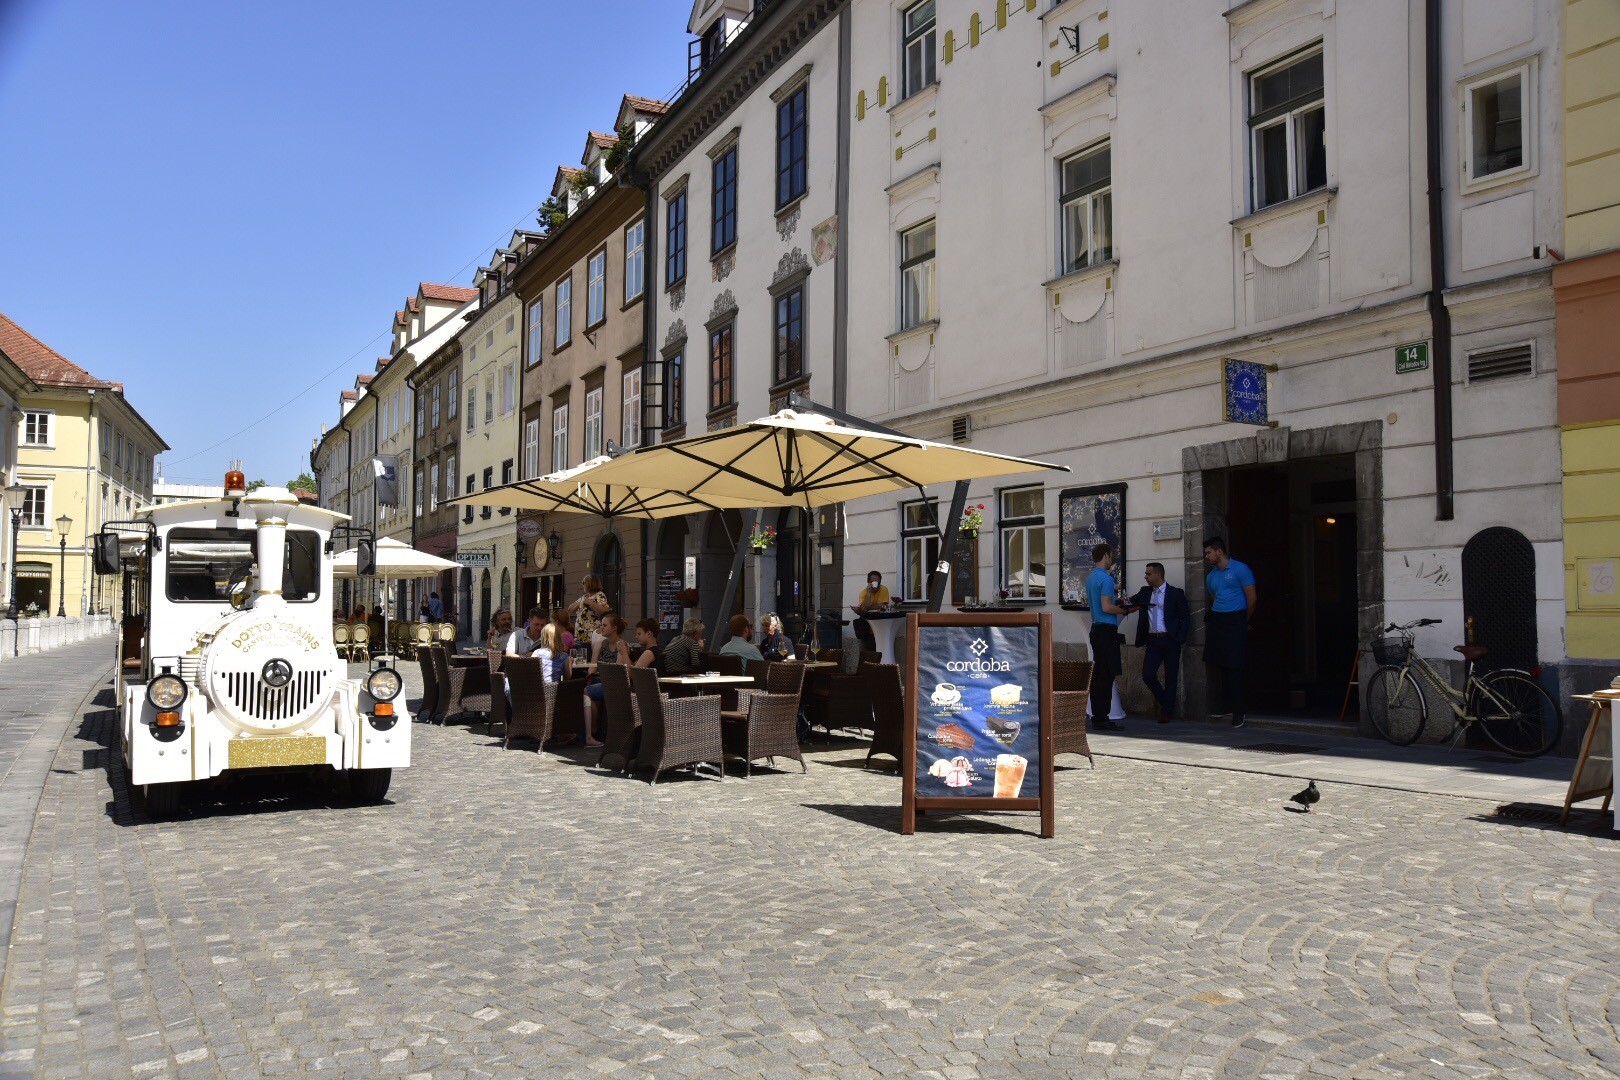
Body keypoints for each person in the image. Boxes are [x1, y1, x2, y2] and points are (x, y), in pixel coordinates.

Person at [1123, 562, 1189, 723]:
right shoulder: (1145, 592)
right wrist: (1114, 600)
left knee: (1171, 677)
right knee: (1148, 675)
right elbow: (1129, 601)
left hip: (1170, 640)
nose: (1145, 577)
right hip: (1153, 641)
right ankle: (1167, 704)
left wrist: (1180, 637)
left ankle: (1166, 712)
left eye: (1148, 574)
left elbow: (1185, 617)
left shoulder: (1175, 593)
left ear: (1158, 574)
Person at [1203, 536, 1257, 728]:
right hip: (1219, 620)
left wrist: (1243, 621)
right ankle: (1225, 705)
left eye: (1209, 552)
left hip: (1236, 619)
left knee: (1235, 666)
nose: (1206, 556)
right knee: (1220, 664)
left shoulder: (1240, 569)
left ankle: (1239, 710)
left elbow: (1252, 598)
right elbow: (1214, 598)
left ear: (1219, 551)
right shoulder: (1211, 576)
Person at [1085, 543, 1130, 731]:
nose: (1112, 560)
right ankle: (1102, 717)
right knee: (1107, 674)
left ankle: (1098, 716)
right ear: (1106, 555)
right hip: (1106, 630)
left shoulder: (1091, 578)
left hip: (1096, 628)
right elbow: (1107, 606)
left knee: (1098, 674)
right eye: (1111, 556)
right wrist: (1124, 610)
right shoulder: (1106, 578)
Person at [582, 613, 629, 747]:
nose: (601, 628)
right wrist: (590, 677)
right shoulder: (601, 643)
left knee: (586, 691)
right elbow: (592, 667)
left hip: (613, 683)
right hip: (599, 680)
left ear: (614, 628)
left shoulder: (622, 645)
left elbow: (617, 671)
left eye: (604, 625)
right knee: (587, 691)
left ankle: (593, 729)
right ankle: (593, 731)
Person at [568, 574, 611, 650]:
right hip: (580, 636)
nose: (583, 585)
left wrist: (591, 603)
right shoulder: (584, 597)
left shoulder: (599, 595)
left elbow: (604, 611)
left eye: (584, 583)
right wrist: (580, 603)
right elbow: (570, 609)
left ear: (590, 584)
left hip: (591, 636)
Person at [850, 571, 890, 650]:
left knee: (880, 649)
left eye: (878, 582)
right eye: (873, 582)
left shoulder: (883, 589)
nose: (876, 585)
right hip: (867, 627)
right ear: (868, 582)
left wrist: (868, 607)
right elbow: (864, 608)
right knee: (867, 650)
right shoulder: (863, 592)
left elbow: (882, 605)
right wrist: (869, 593)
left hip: (880, 625)